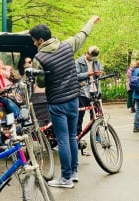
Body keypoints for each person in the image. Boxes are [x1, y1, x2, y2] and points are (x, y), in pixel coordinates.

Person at [29, 15, 100, 188]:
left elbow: (40, 83)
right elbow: (83, 34)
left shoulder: (39, 58)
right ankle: (73, 172)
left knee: (63, 140)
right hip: (73, 99)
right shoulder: (67, 45)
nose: (34, 44)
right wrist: (91, 21)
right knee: (71, 137)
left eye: (34, 41)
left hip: (57, 102)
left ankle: (66, 178)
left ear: (40, 40)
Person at [75, 46, 103, 136]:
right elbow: (75, 76)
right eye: (91, 55)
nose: (93, 58)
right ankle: (77, 136)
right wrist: (87, 74)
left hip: (95, 90)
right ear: (87, 53)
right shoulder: (78, 62)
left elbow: (100, 73)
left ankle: (96, 134)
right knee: (80, 115)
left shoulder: (97, 62)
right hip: (83, 91)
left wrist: (99, 74)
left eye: (95, 56)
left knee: (96, 115)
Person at [131, 66, 139, 132]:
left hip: (136, 93)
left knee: (138, 110)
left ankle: (136, 126)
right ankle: (136, 126)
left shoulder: (135, 70)